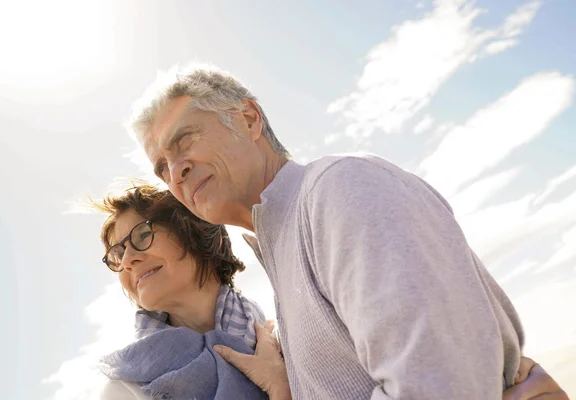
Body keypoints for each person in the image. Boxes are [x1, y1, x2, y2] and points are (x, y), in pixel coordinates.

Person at [124, 65, 569, 399]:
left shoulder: (339, 190)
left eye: (184, 141)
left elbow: (439, 388)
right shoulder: (283, 249)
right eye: (161, 167)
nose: (175, 170)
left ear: (248, 119)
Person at [92, 185, 290, 400]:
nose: (128, 260)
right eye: (117, 256)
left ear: (197, 231)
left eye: (142, 236)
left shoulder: (286, 339)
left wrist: (277, 376)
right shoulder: (124, 390)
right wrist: (279, 389)